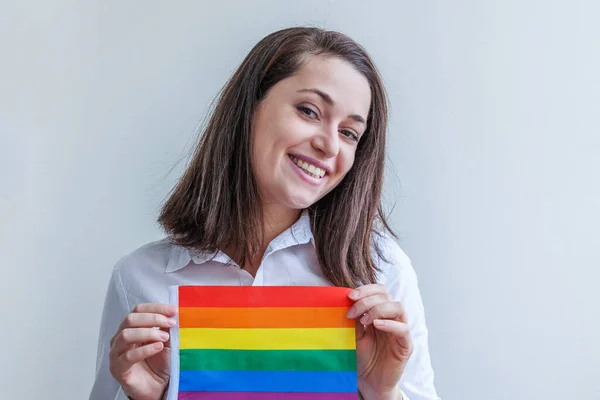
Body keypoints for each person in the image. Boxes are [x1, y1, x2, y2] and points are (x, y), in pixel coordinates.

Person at [89, 26, 440, 400]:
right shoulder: (139, 278)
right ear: (249, 108)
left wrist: (380, 391)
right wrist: (148, 398)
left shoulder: (381, 272)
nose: (329, 144)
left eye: (350, 133)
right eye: (309, 111)